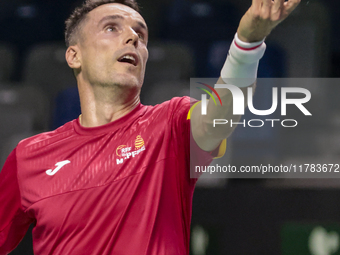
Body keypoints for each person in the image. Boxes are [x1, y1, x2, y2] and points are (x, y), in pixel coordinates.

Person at [0, 0, 300, 254]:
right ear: (74, 55)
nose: (132, 38)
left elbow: (219, 114)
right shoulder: (28, 157)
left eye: (140, 34)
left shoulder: (169, 124)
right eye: (111, 28)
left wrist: (248, 42)